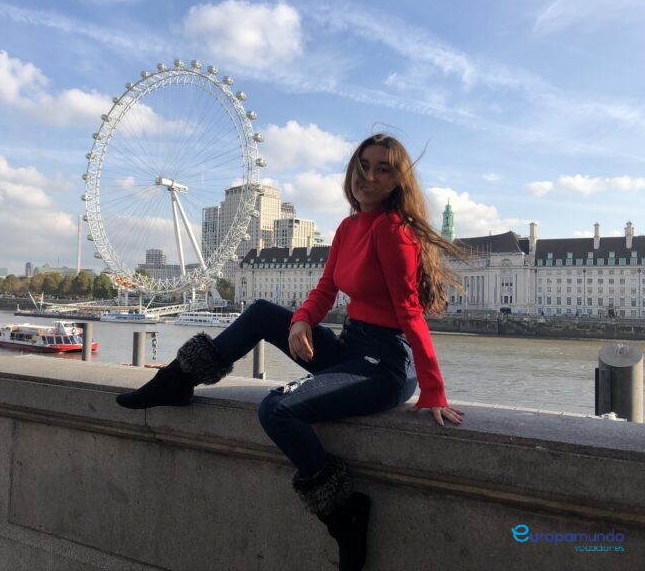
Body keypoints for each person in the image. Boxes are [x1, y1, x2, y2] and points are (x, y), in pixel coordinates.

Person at [116, 133, 465, 571]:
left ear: (398, 182)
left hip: (385, 366)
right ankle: (176, 381)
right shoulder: (348, 226)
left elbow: (411, 315)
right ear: (352, 170)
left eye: (383, 169)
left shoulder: (393, 232)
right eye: (364, 165)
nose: (369, 177)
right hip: (351, 346)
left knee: (277, 409)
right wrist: (301, 319)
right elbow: (326, 289)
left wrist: (434, 390)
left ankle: (343, 514)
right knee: (263, 313)